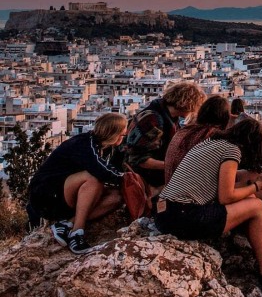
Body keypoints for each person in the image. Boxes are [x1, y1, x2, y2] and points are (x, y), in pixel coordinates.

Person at [154, 118, 262, 293]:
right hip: (184, 215)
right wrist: (259, 185)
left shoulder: (210, 144)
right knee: (256, 205)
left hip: (165, 213)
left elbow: (227, 179)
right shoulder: (232, 150)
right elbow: (226, 196)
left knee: (250, 198)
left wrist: (253, 178)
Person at [28, 113, 127, 254]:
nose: (124, 137)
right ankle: (77, 233)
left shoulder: (103, 148)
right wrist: (126, 179)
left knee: (117, 196)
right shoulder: (84, 144)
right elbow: (100, 170)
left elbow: (108, 170)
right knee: (93, 178)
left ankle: (67, 224)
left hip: (66, 194)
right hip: (47, 195)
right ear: (113, 132)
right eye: (122, 134)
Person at [126, 81, 205, 192]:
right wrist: (175, 166)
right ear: (187, 104)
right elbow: (139, 160)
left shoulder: (167, 116)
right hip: (144, 176)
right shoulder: (154, 120)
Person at [164, 95, 230, 183]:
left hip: (169, 187)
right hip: (189, 191)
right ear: (225, 117)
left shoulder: (183, 130)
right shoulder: (211, 135)